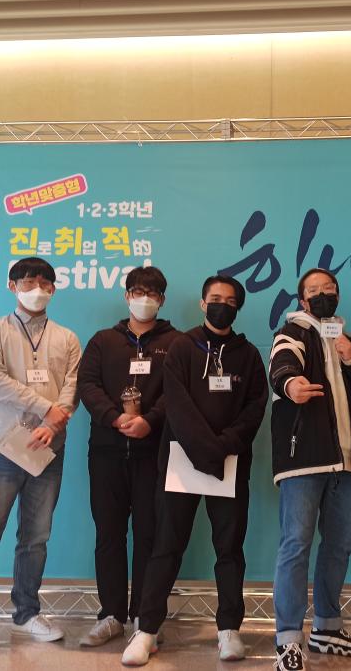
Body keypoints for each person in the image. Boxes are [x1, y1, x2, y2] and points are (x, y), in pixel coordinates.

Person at [121, 275, 268, 666]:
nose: (222, 305)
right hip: (181, 462)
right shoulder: (182, 347)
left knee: (229, 549)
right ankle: (146, 630)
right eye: (215, 298)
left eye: (230, 301)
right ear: (203, 303)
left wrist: (223, 447)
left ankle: (229, 630)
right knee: (165, 546)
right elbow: (177, 404)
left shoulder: (249, 355)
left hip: (231, 464)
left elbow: (255, 408)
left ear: (238, 308)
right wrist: (208, 451)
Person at [0, 257, 81, 658]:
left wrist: (54, 423)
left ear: (54, 289)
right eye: (28, 281)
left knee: (36, 538)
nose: (37, 289)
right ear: (13, 286)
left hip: (48, 447)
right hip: (2, 445)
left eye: (45, 283)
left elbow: (72, 387)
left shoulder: (66, 338)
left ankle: (27, 613)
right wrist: (45, 409)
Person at [269, 267, 351, 671]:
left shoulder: (347, 340)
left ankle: (327, 627)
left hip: (347, 465)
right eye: (314, 290)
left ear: (338, 295)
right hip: (304, 459)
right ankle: (288, 638)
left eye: (329, 289)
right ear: (302, 300)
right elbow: (282, 366)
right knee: (296, 545)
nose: (322, 295)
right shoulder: (292, 333)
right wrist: (291, 386)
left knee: (339, 545)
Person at [76, 267, 179, 647]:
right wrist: (114, 417)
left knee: (150, 536)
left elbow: (177, 390)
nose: (144, 299)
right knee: (109, 534)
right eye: (137, 292)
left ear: (162, 300)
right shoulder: (103, 341)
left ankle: (144, 618)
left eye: (152, 293)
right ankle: (111, 615)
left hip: (154, 453)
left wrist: (150, 421)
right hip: (106, 452)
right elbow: (87, 385)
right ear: (126, 296)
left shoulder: (176, 342)